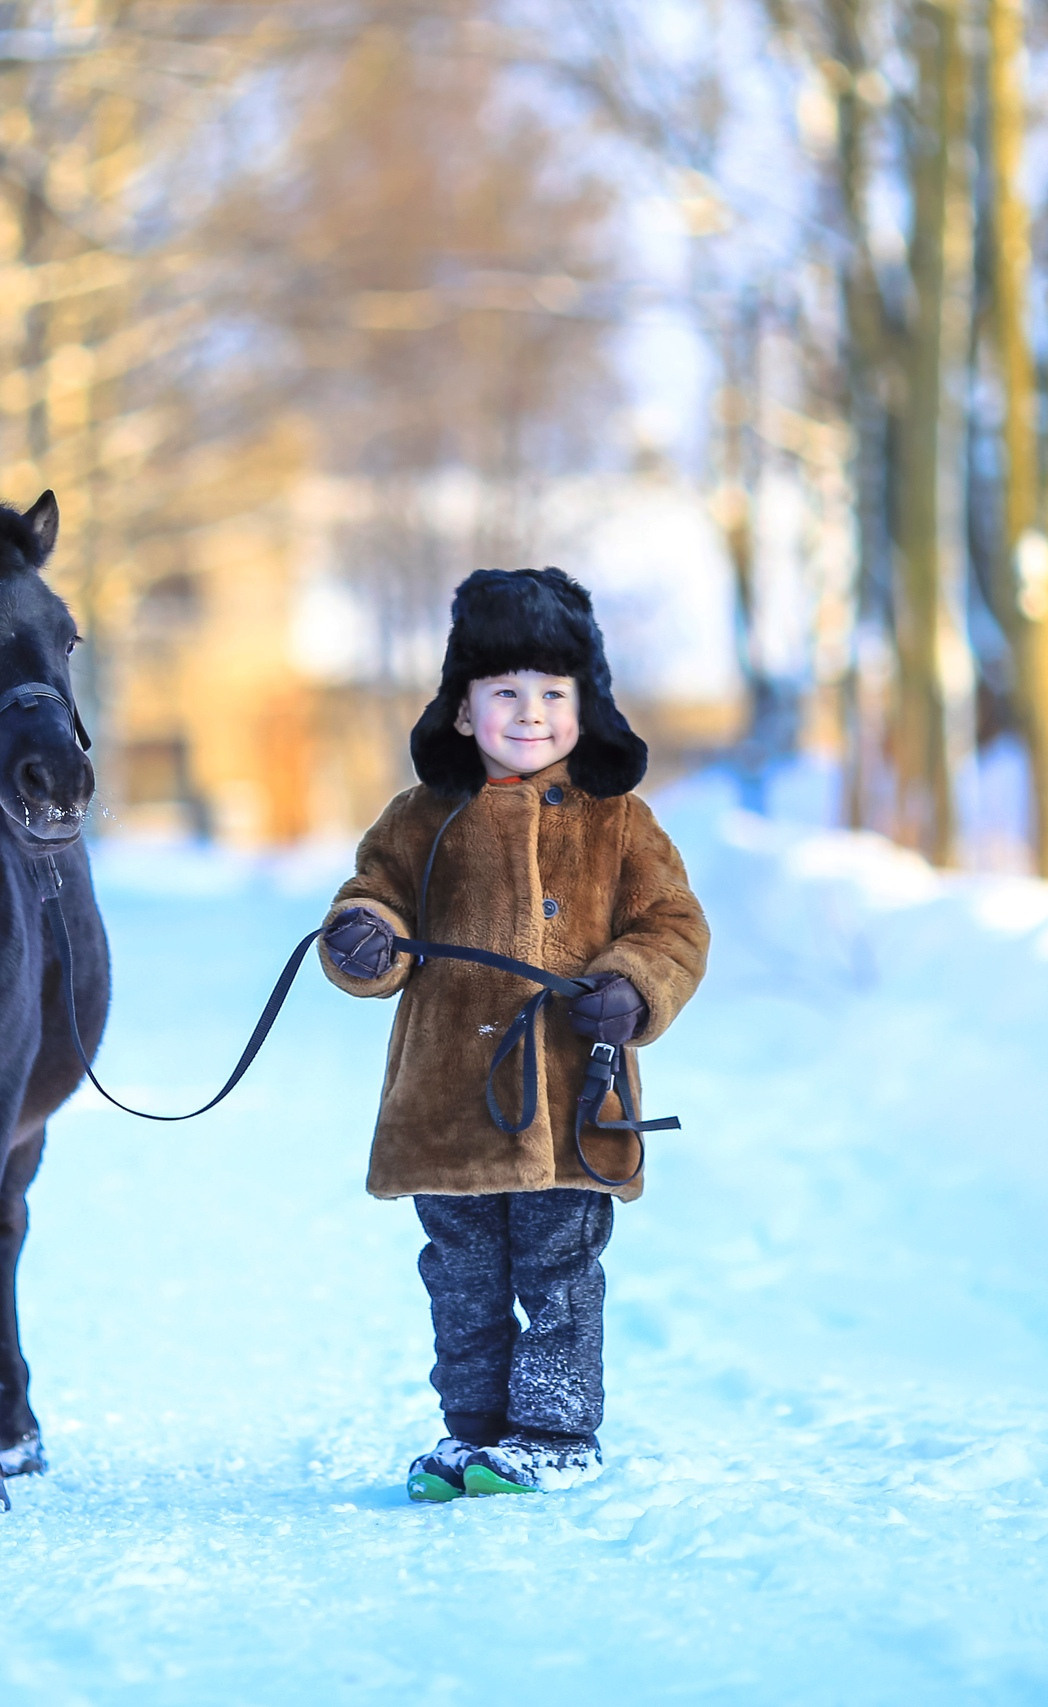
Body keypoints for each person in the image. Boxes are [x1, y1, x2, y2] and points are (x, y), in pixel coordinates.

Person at [319, 568, 710, 1500]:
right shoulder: (421, 819)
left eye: (551, 694)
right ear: (462, 711)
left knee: (560, 1267)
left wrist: (632, 984)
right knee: (461, 1276)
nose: (529, 712)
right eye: (505, 693)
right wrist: (364, 937)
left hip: (574, 1102)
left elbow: (676, 927)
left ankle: (557, 1429)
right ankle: (476, 1431)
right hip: (447, 1105)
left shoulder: (623, 823)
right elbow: (369, 900)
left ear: (585, 707)